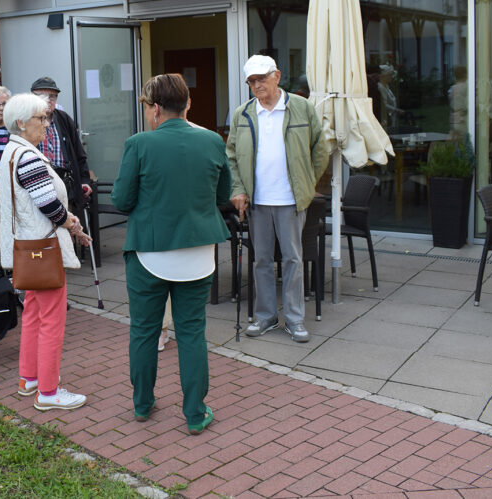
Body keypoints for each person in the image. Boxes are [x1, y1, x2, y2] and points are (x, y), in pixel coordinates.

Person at [111, 73, 231, 435]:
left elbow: (120, 200)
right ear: (188, 104)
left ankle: (143, 404)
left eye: (147, 106)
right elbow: (223, 195)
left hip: (149, 250)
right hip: (198, 251)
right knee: (192, 333)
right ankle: (195, 412)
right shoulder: (212, 141)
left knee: (145, 331)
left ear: (156, 108)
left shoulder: (139, 144)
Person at [227, 55, 329, 344]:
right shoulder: (242, 113)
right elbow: (231, 155)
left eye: (261, 78)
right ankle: (266, 316)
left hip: (290, 199)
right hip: (257, 200)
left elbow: (319, 149)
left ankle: (295, 320)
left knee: (293, 260)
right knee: (260, 261)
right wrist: (238, 188)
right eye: (251, 81)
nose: (257, 85)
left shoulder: (301, 108)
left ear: (277, 76)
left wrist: (306, 183)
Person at [0, 93, 91, 412]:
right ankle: (49, 392)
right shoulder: (29, 157)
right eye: (41, 118)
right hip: (45, 247)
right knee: (52, 319)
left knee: (35, 314)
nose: (47, 124)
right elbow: (49, 205)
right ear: (21, 123)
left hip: (28, 248)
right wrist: (72, 222)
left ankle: (30, 378)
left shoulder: (12, 151)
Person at [30, 77, 92, 214]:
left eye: (52, 96)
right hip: (39, 187)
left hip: (65, 186)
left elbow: (79, 154)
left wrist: (84, 180)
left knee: (67, 229)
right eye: (43, 96)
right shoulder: (25, 121)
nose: (48, 100)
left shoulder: (63, 119)